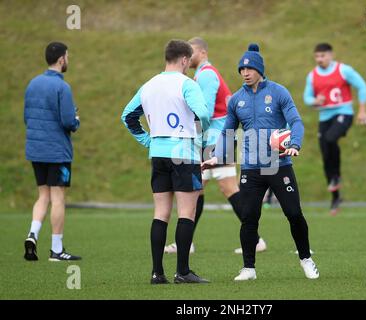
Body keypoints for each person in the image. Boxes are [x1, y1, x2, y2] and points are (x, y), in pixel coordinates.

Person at [203, 43, 319, 281]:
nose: (245, 73)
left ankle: (306, 258)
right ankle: (249, 268)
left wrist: (295, 144)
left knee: (294, 213)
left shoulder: (279, 92)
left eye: (249, 69)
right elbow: (227, 132)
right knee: (248, 217)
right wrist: (218, 156)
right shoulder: (235, 100)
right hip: (250, 167)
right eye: (241, 70)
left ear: (259, 70)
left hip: (278, 165)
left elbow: (296, 122)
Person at [164, 37, 267, 255]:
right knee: (197, 190)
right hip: (215, 139)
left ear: (201, 52)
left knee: (221, 188)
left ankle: (255, 239)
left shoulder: (207, 74)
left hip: (217, 139)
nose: (187, 57)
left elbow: (206, 110)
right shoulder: (203, 74)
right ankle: (186, 242)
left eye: (190, 52)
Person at [121, 39, 210, 284]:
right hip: (184, 153)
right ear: (183, 60)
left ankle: (157, 273)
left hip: (159, 153)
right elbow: (202, 112)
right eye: (189, 62)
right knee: (187, 212)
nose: (189, 66)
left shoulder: (149, 85)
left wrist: (148, 140)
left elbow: (127, 115)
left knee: (161, 213)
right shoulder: (187, 84)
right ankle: (182, 272)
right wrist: (203, 135)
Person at [23, 42, 81, 262]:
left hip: (35, 149)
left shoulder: (32, 83)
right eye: (68, 56)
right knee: (57, 198)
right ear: (61, 59)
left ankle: (32, 234)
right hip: (57, 151)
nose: (68, 59)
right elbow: (68, 121)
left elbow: (27, 118)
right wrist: (76, 121)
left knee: (42, 195)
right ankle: (56, 249)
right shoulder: (62, 87)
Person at [303, 43, 366, 215]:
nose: (319, 59)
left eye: (323, 56)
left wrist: (362, 110)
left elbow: (362, 86)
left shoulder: (343, 70)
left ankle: (337, 175)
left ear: (330, 55)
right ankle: (335, 198)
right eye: (317, 56)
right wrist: (314, 101)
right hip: (324, 117)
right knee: (325, 156)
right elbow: (306, 97)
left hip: (343, 113)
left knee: (331, 139)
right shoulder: (312, 75)